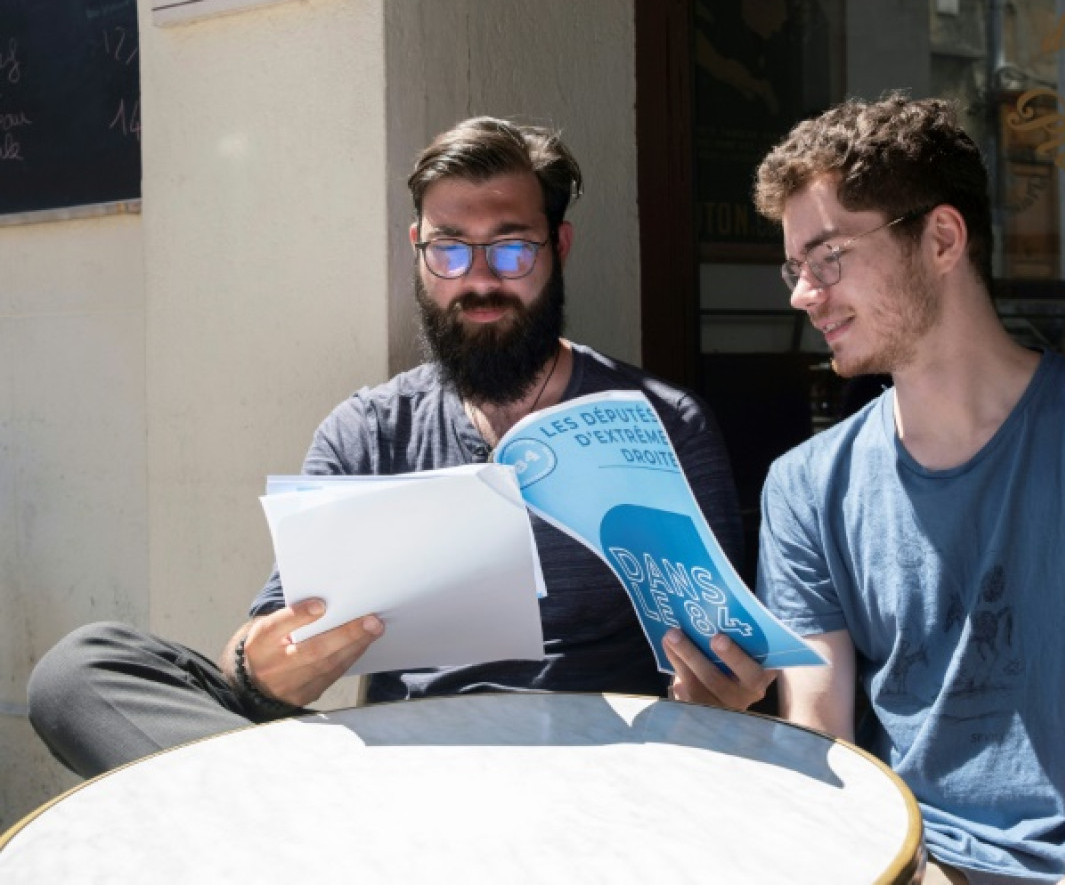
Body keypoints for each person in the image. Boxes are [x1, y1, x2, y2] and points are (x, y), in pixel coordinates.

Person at [664, 93, 1065, 885]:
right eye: (795, 267)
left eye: (828, 257)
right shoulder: (806, 487)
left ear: (942, 238)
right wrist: (729, 717)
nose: (802, 294)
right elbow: (823, 740)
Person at [29, 116, 742, 779]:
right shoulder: (369, 430)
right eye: (450, 248)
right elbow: (269, 647)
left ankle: (275, 840)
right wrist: (261, 669)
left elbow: (724, 662)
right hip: (399, 775)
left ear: (559, 247)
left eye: (512, 247)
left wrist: (718, 695)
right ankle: (289, 824)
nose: (480, 278)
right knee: (79, 670)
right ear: (418, 250)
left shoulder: (666, 424)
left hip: (589, 771)